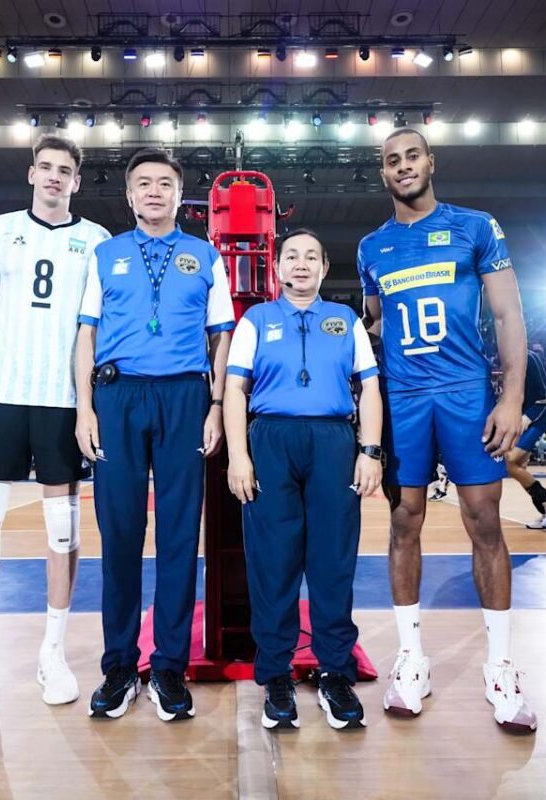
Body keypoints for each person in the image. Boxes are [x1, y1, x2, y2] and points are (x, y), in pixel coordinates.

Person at [358, 127, 536, 733]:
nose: (403, 166)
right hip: (404, 398)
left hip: (465, 392)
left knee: (484, 521)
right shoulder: (372, 247)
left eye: (413, 156)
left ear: (431, 162)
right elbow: (375, 325)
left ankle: (501, 666)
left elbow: (508, 314)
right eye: (392, 161)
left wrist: (511, 398)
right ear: (383, 173)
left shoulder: (475, 227)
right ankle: (411, 658)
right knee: (403, 521)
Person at [0, 134, 110, 714]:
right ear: (31, 173)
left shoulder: (96, 241)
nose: (55, 176)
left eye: (65, 170)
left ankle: (51, 653)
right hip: (2, 395)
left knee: (62, 529)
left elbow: (93, 327)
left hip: (63, 400)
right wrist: (14, 360)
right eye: (46, 167)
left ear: (76, 181)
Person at [75, 148, 234, 722]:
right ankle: (120, 665)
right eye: (143, 183)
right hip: (117, 397)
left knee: (178, 535)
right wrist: (84, 409)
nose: (153, 191)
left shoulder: (206, 256)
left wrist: (216, 405)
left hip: (184, 398)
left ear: (179, 195)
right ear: (129, 195)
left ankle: (168, 665)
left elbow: (222, 338)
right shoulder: (105, 255)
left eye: (164, 183)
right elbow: (86, 336)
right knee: (119, 534)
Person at [223, 229, 382, 731]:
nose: (301, 263)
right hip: (270, 439)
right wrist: (238, 456)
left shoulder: (346, 320)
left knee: (333, 561)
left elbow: (370, 388)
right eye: (291, 255)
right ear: (277, 266)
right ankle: (276, 675)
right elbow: (234, 390)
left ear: (323, 267)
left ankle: (336, 671)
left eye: (311, 256)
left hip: (333, 441)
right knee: (273, 563)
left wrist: (370, 450)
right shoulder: (256, 320)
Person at [508, 349, 546, 530]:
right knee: (518, 468)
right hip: (521, 418)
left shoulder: (529, 356)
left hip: (537, 419)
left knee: (510, 461)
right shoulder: (507, 359)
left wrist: (529, 416)